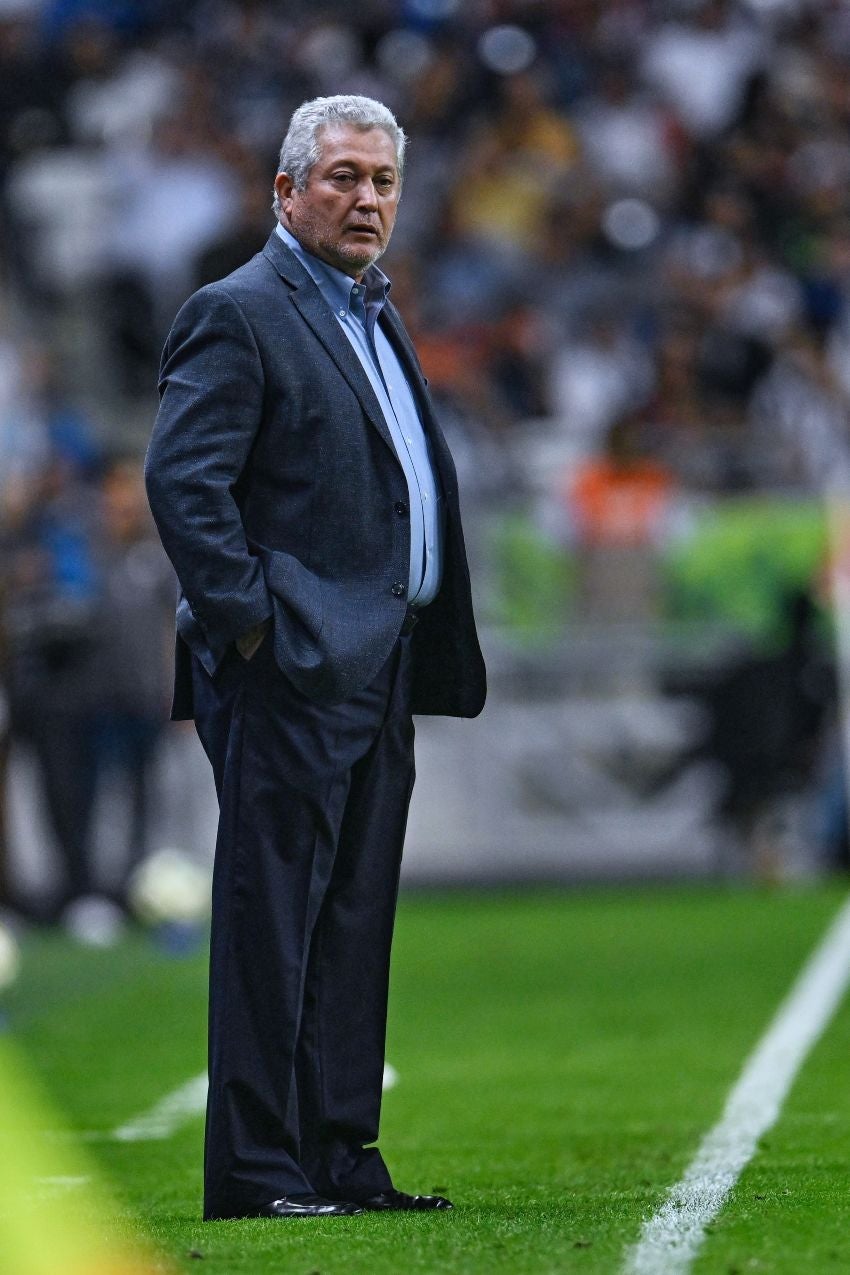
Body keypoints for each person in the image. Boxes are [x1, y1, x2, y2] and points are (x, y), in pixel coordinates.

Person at [144, 95, 486, 1222]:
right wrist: (256, 628)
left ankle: (339, 1156)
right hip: (291, 665)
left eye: (382, 181)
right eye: (342, 177)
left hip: (377, 664)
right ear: (285, 192)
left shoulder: (371, 310)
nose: (366, 199)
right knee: (272, 920)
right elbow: (183, 484)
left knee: (350, 922)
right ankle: (256, 1171)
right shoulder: (237, 310)